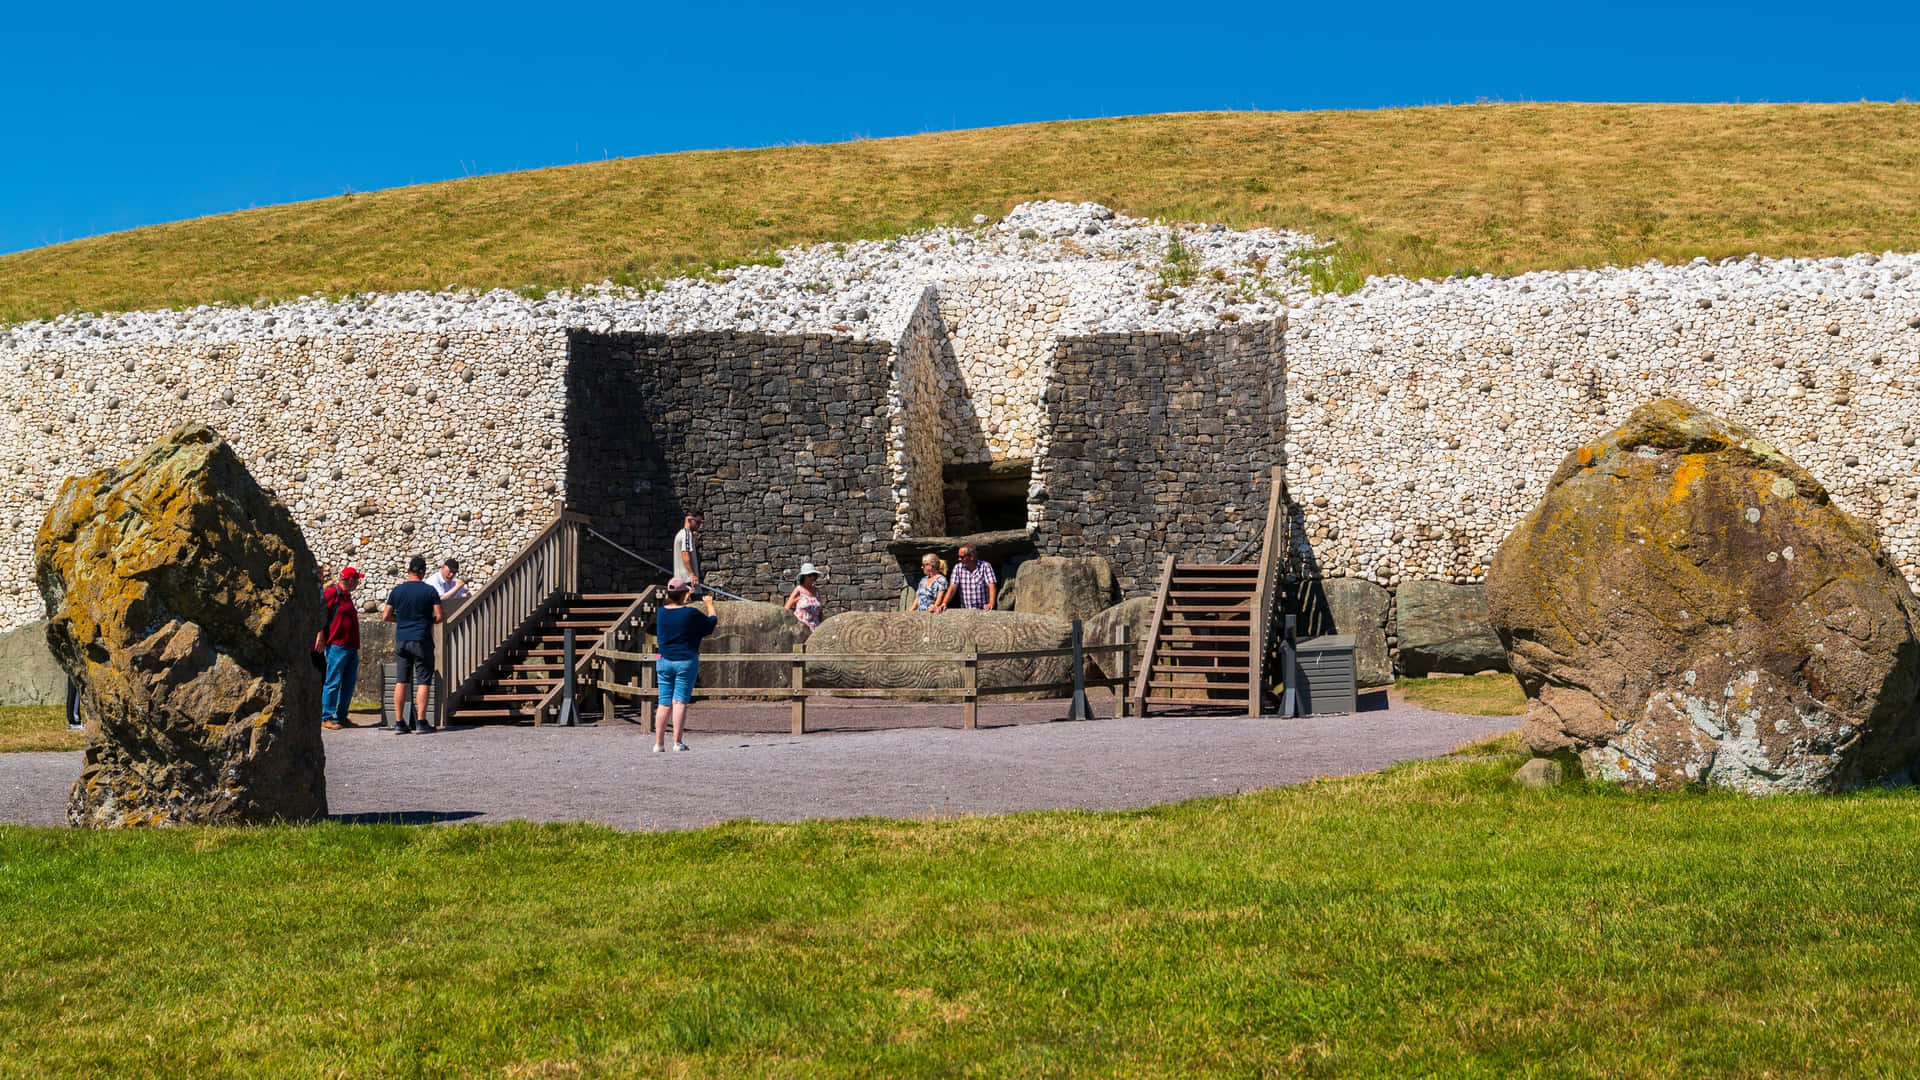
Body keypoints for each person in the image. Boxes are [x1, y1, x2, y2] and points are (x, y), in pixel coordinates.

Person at [653, 577, 717, 752]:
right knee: (679, 702)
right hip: (685, 661)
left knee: (664, 703)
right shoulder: (690, 613)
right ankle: (677, 742)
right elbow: (710, 625)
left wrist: (687, 595)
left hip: (664, 660)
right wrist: (710, 605)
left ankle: (658, 743)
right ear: (682, 594)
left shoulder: (661, 612)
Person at [382, 556, 444, 735]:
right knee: (423, 681)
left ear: (408, 570)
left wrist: (400, 620)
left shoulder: (397, 591)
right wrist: (428, 621)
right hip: (421, 639)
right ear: (423, 572)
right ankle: (421, 721)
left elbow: (385, 616)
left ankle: (399, 722)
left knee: (402, 681)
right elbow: (439, 616)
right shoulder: (430, 590)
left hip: (402, 639)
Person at [315, 566, 365, 730]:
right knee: (333, 681)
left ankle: (342, 716)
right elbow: (320, 613)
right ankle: (326, 716)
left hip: (350, 646)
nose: (358, 582)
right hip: (337, 645)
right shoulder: (332, 593)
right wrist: (320, 635)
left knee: (348, 683)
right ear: (350, 580)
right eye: (357, 579)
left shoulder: (346, 597)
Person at [938, 545, 998, 611]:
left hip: (984, 609)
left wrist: (991, 603)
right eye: (958, 556)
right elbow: (952, 588)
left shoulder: (985, 566)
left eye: (962, 557)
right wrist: (944, 603)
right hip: (966, 610)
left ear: (971, 557)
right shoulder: (957, 568)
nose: (959, 559)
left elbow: (992, 585)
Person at [784, 562, 826, 630]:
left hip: (816, 629)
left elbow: (820, 612)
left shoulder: (816, 591)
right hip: (802, 630)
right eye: (810, 575)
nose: (812, 577)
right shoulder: (798, 590)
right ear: (804, 576)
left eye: (814, 575)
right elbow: (786, 609)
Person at [671, 512, 703, 590]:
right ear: (689, 519)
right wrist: (692, 575)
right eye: (698, 522)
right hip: (688, 581)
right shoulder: (686, 534)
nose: (699, 525)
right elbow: (685, 554)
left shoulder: (680, 534)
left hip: (681, 582)